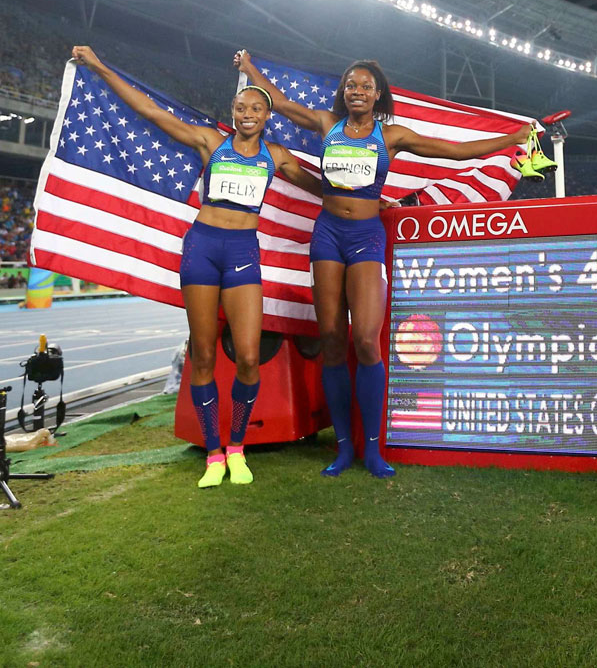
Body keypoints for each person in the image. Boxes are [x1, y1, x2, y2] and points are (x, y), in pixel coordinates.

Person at [236, 51, 534, 477]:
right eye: (351, 85)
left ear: (378, 94)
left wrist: (512, 138)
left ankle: (373, 450)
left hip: (366, 238)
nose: (357, 91)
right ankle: (342, 449)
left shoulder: (391, 135)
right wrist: (249, 69)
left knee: (367, 341)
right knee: (333, 339)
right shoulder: (327, 124)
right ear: (344, 92)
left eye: (365, 86)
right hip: (327, 237)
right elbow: (280, 104)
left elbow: (454, 150)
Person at [71, 45, 320, 488]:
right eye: (240, 107)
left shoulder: (277, 156)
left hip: (243, 252)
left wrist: (370, 199)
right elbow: (148, 110)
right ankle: (213, 453)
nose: (247, 113)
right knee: (202, 353)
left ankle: (238, 447)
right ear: (234, 111)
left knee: (247, 357)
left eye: (256, 108)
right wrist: (99, 66)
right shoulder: (211, 142)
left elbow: (324, 188)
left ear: (266, 116)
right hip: (202, 248)